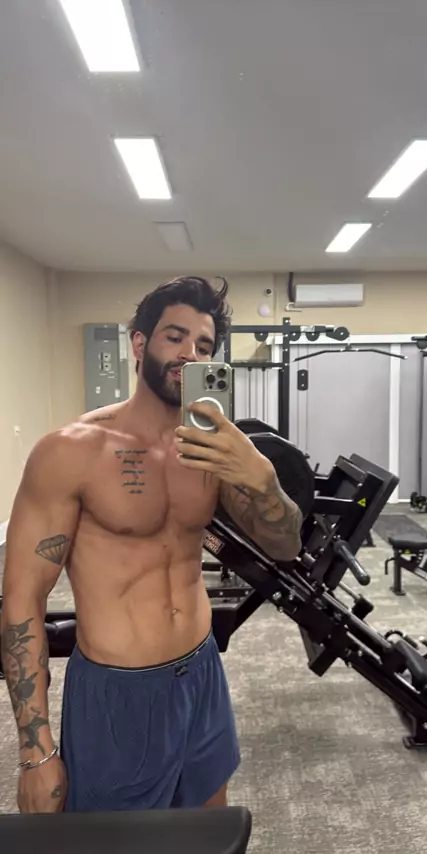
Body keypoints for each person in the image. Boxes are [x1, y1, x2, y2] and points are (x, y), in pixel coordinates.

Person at [0, 276, 303, 814]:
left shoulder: (212, 451)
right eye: (175, 337)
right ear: (139, 344)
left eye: (204, 346)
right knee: (119, 845)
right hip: (119, 692)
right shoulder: (71, 452)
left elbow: (284, 547)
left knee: (207, 832)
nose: (190, 354)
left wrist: (263, 481)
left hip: (202, 672)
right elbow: (23, 601)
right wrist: (35, 752)